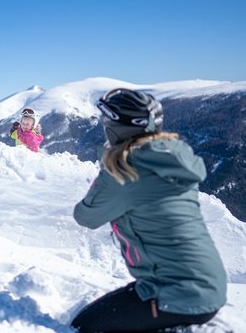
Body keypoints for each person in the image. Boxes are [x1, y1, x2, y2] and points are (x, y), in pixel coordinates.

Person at [71, 88, 226, 332]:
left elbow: (85, 216)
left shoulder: (124, 170)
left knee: (81, 326)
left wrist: (105, 173)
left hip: (176, 295)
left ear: (117, 127)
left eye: (107, 121)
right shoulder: (173, 159)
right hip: (208, 287)